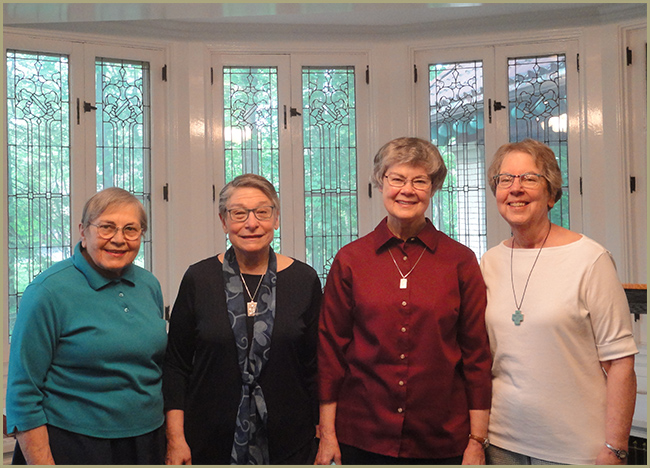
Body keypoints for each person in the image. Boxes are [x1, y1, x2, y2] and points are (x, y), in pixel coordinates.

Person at [316, 137, 492, 465]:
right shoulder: (351, 260)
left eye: (419, 181)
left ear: (433, 188)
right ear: (380, 182)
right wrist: (327, 434)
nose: (406, 190)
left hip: (442, 439)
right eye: (396, 178)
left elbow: (477, 355)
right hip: (363, 436)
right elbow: (331, 352)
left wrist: (477, 441)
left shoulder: (460, 261)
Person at [481, 139, 638, 465]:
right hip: (499, 444)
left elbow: (620, 362)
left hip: (574, 450)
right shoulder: (489, 263)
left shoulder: (590, 260)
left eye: (529, 178)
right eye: (505, 179)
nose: (515, 189)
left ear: (552, 192)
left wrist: (616, 447)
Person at [163, 173, 322, 465]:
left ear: (276, 219)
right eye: (239, 214)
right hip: (208, 441)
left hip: (290, 442)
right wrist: (175, 439)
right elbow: (176, 365)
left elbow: (315, 366)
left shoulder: (304, 279)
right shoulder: (199, 278)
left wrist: (323, 434)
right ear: (224, 222)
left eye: (262, 212)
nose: (251, 223)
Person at [5, 187, 167, 465]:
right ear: (83, 230)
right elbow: (23, 392)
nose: (118, 239)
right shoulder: (48, 291)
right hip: (72, 444)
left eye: (131, 229)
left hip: (146, 441)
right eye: (106, 227)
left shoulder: (149, 284)